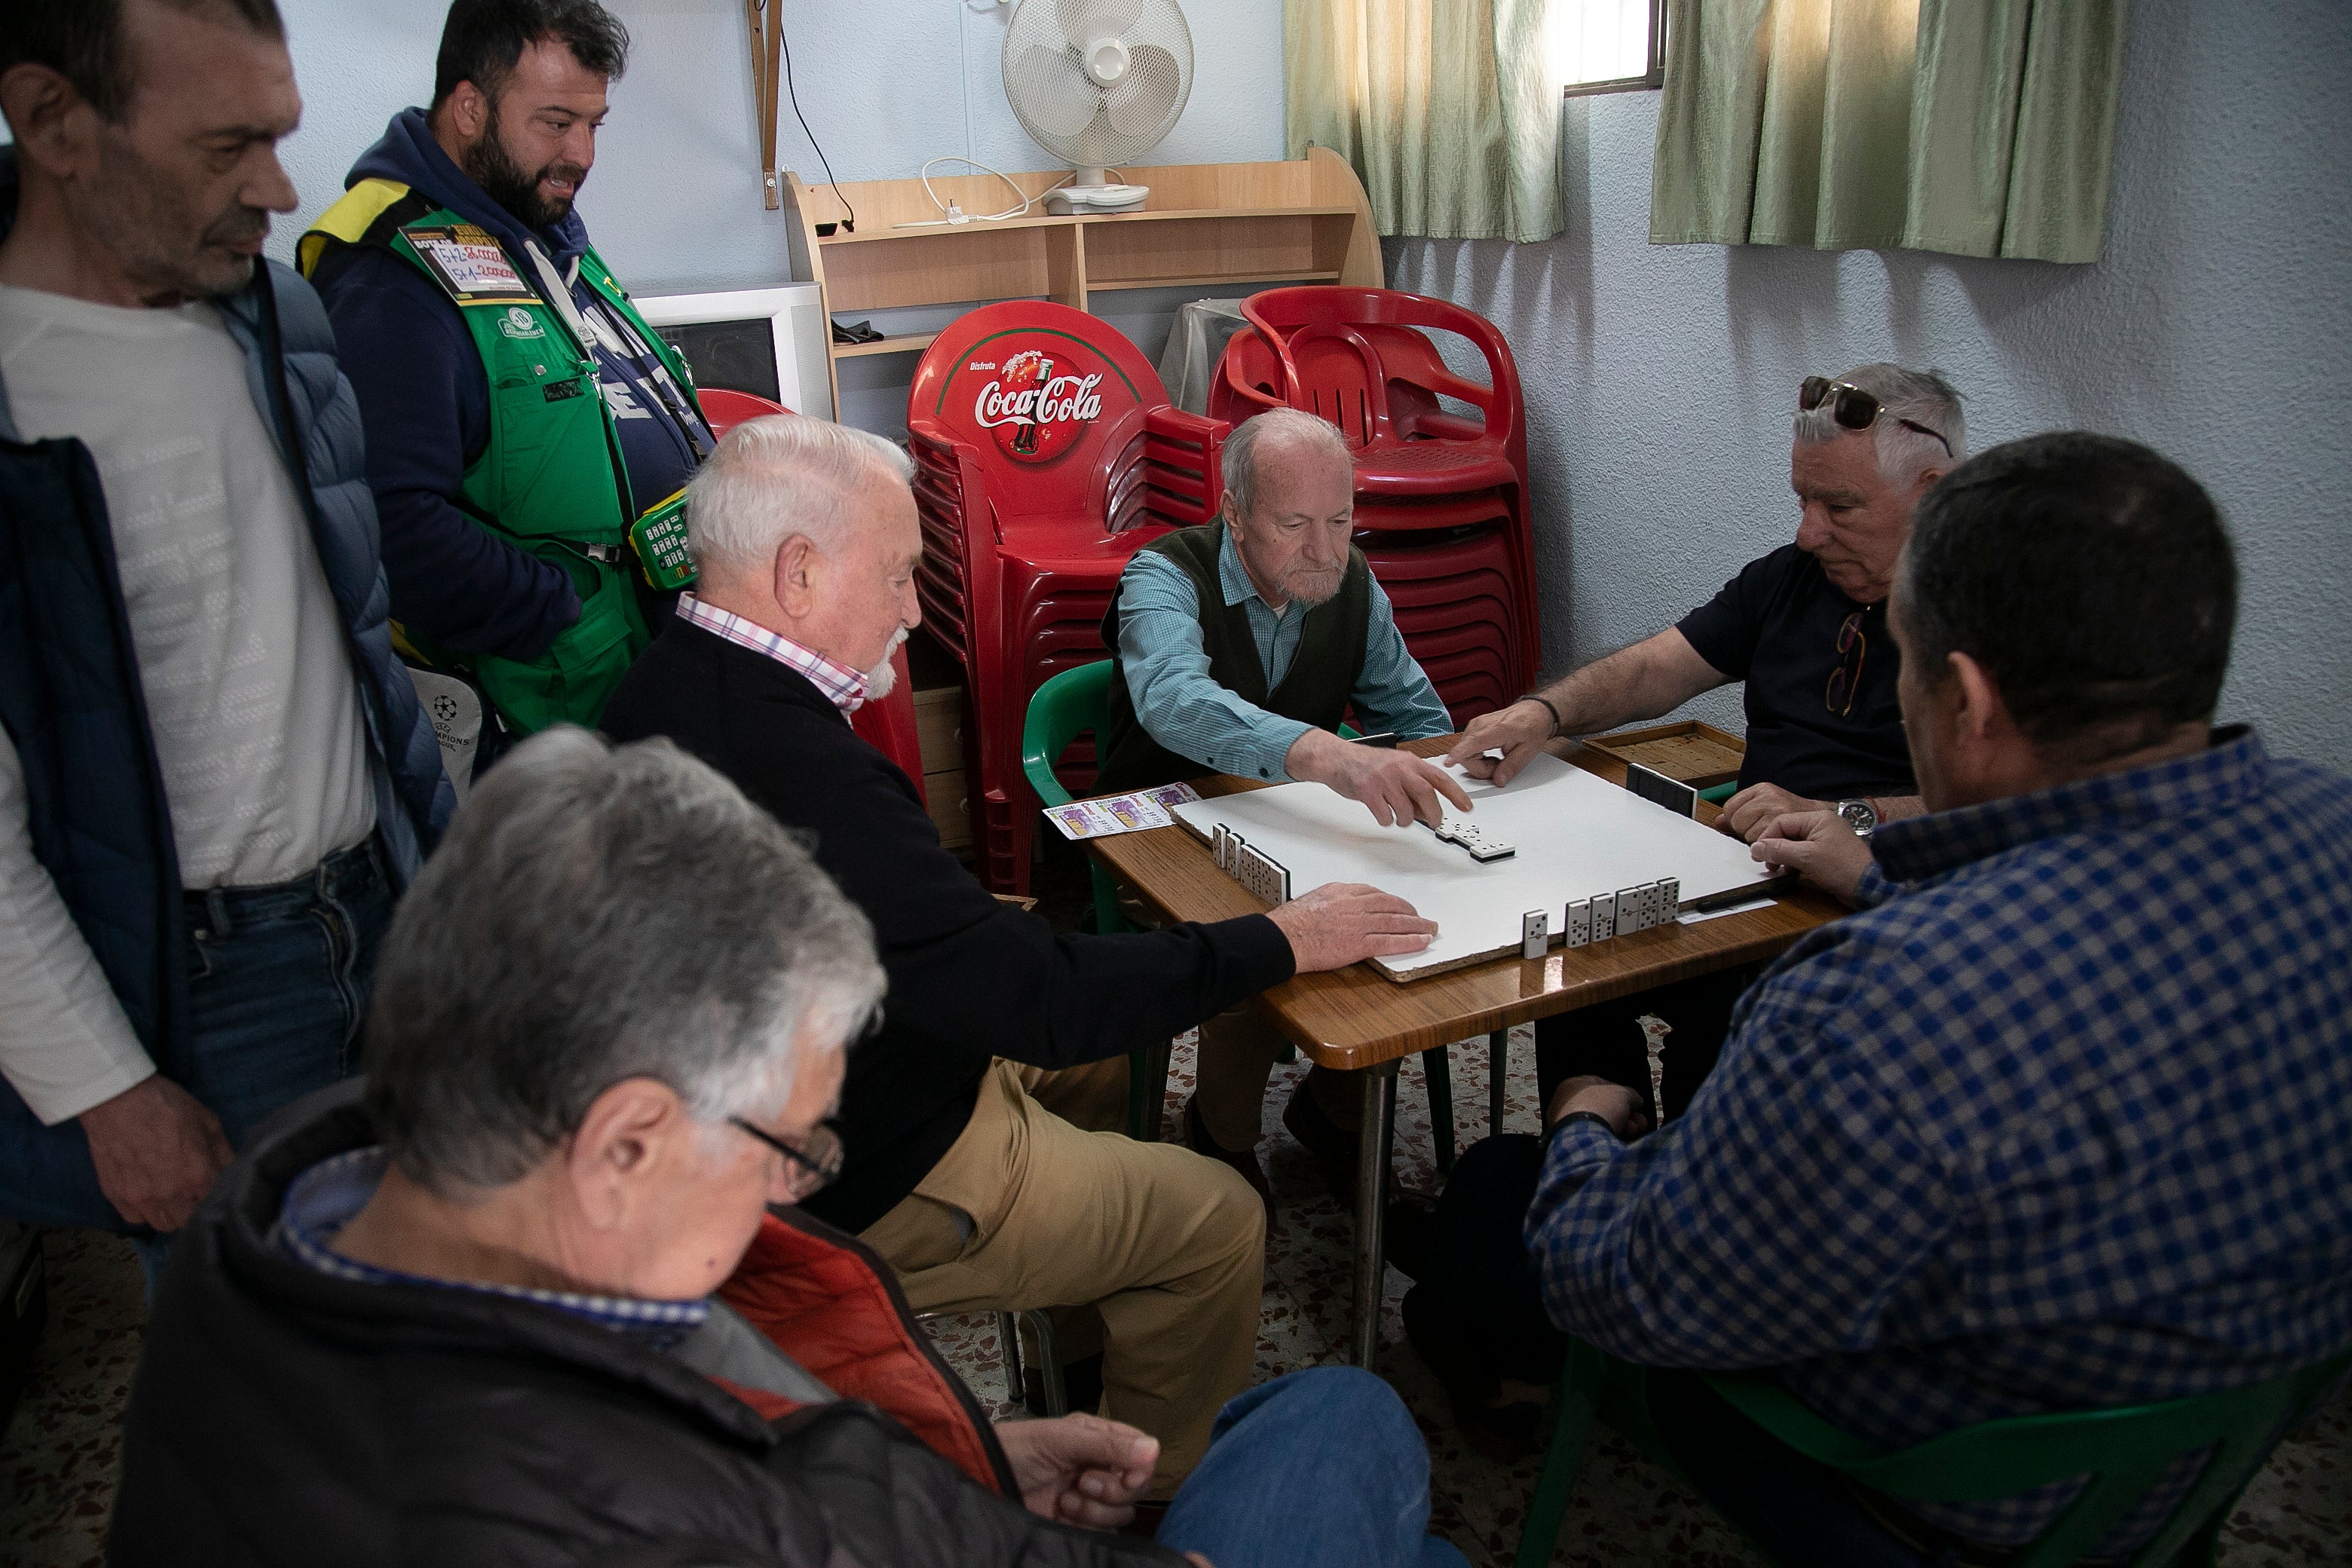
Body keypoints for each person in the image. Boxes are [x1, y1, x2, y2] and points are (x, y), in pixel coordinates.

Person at [106, 727, 1468, 1568]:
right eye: (782, 1149)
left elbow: (722, 1426)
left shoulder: (303, 1213)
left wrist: (978, 1460)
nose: (798, 1191)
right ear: (628, 1140)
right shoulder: (595, 1519)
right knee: (1346, 1416)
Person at [1417, 433, 2352, 1563]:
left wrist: (1583, 1116)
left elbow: (1627, 1290)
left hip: (1933, 1493)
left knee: (1499, 1193)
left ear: (1966, 699)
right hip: (2211, 1458)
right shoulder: (2330, 831)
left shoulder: (1884, 1007)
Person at [600, 414, 1438, 1496]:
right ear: (797, 574)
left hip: (795, 1083)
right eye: (901, 574)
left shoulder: (662, 687)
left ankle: (1081, 1352)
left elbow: (966, 961)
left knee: (1099, 1072)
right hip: (861, 1164)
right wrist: (1280, 940)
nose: (914, 611)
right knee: (1220, 1221)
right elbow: (1034, 997)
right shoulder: (809, 772)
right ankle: (1137, 1504)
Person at [0, 0, 449, 1273]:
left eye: (282, 135)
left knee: (444, 1332)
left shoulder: (275, 317)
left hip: (382, 908)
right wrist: (101, 1088)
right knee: (281, 1405)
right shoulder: (21, 383)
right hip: (205, 992)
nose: (278, 187)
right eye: (224, 147)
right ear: (52, 122)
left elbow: (346, 645)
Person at [1435, 364, 1963, 1130]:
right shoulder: (1793, 577)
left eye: (1838, 505)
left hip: (1872, 920)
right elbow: (1659, 666)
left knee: (1720, 1046)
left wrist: (1850, 816)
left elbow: (2022, 806)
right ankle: (1602, 1153)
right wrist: (1546, 710)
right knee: (1570, 953)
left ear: (1932, 490)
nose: (1807, 531)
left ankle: (1637, 1171)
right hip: (1747, 880)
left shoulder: (1984, 615)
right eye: (1802, 499)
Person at [300, 0, 713, 744]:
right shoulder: (390, 280)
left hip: (640, 682)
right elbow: (386, 524)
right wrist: (560, 608)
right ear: (468, 107)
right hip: (542, 721)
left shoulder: (533, 237)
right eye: (556, 122)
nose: (583, 153)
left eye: (595, 124)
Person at [1094, 407, 1462, 1208]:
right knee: (1272, 938)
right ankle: (1220, 1132)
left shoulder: (1350, 582)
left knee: (1398, 906)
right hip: (1159, 831)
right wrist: (1328, 754)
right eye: (1295, 524)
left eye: (1342, 519)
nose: (1326, 549)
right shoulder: (1163, 573)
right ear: (1233, 512)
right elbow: (1173, 701)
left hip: (1285, 823)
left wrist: (1458, 778)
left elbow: (1415, 717)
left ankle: (1330, 1111)